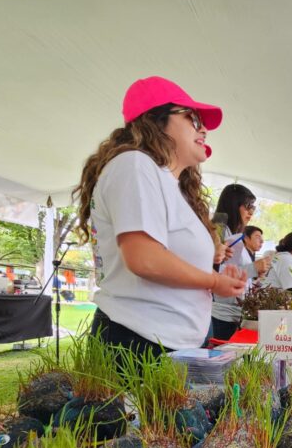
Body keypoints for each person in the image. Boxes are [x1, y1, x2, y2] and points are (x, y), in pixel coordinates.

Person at [72, 76, 247, 357]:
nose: (203, 129)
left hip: (164, 342)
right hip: (138, 342)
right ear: (156, 120)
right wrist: (214, 282)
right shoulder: (134, 164)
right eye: (193, 118)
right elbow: (145, 259)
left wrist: (216, 275)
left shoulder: (168, 183)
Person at [211, 184, 272, 340]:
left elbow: (232, 270)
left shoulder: (233, 235)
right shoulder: (219, 230)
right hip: (223, 313)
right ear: (233, 204)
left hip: (234, 312)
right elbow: (217, 272)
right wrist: (253, 268)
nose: (251, 212)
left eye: (253, 207)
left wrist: (256, 276)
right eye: (248, 206)